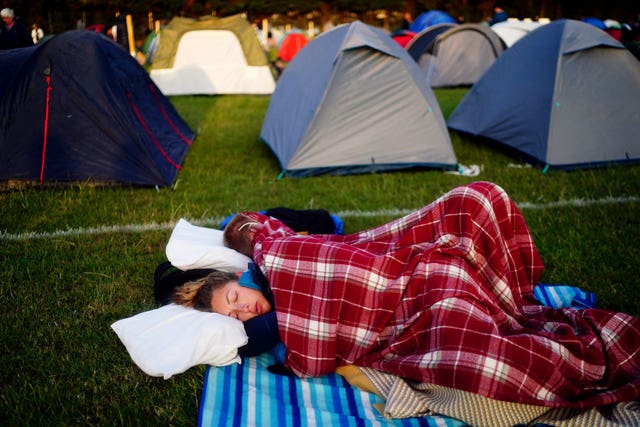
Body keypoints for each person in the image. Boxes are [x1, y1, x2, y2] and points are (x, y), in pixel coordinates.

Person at [174, 181, 640, 409]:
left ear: (242, 280)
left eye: (234, 298)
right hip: (415, 307)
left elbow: (244, 225)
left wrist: (248, 243)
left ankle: (497, 295)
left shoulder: (272, 252)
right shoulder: (279, 330)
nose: (242, 312)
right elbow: (298, 345)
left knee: (476, 201)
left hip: (399, 262)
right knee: (486, 353)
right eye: (232, 318)